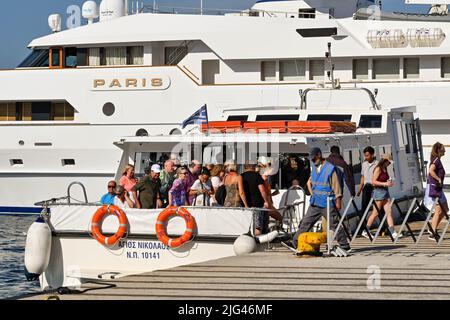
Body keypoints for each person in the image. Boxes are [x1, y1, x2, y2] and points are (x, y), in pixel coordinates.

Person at [290, 147, 351, 252]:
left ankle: (345, 245)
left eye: (313, 158)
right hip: (315, 201)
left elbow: (336, 186)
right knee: (306, 222)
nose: (312, 160)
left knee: (334, 224)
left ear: (319, 155)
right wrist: (312, 193)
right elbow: (310, 181)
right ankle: (295, 242)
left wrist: (338, 201)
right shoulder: (314, 167)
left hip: (327, 202)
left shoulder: (330, 169)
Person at [366, 154, 400, 239]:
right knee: (375, 213)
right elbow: (373, 181)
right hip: (378, 192)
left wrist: (388, 181)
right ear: (385, 161)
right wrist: (385, 183)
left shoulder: (385, 169)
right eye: (389, 162)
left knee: (389, 212)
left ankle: (393, 232)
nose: (389, 164)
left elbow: (384, 179)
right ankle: (366, 230)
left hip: (385, 192)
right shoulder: (378, 168)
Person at [425, 142, 449, 241]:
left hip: (439, 189)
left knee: (445, 209)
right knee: (439, 210)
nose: (445, 151)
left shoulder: (437, 160)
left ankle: (432, 228)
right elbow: (431, 171)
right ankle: (433, 233)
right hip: (435, 189)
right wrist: (438, 179)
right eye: (443, 149)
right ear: (438, 150)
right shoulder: (436, 160)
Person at [242, 162, 271, 235]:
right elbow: (262, 190)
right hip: (257, 204)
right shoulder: (257, 176)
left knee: (246, 224)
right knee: (258, 226)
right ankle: (258, 241)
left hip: (244, 205)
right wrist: (266, 201)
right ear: (252, 167)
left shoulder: (241, 176)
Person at [357, 146, 378, 236]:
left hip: (374, 187)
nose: (366, 157)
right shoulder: (364, 164)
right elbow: (363, 177)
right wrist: (360, 189)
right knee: (364, 208)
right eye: (365, 156)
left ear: (372, 155)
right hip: (366, 187)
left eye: (368, 155)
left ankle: (384, 227)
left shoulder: (377, 164)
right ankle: (361, 228)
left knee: (378, 208)